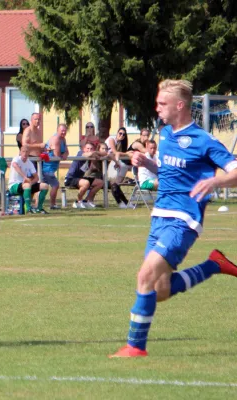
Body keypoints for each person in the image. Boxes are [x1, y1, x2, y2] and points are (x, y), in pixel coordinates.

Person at [110, 79, 237, 358]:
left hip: (183, 219)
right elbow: (169, 170)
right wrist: (149, 164)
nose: (157, 108)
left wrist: (215, 183)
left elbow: (235, 170)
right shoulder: (165, 133)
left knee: (144, 275)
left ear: (180, 105)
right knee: (160, 290)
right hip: (159, 217)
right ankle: (213, 265)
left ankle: (135, 347)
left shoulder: (204, 141)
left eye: (162, 103)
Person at [64, 142, 104, 209]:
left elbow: (105, 154)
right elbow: (89, 154)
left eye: (91, 148)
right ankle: (77, 201)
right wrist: (96, 153)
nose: (89, 150)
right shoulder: (80, 153)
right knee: (86, 183)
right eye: (87, 148)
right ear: (84, 149)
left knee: (100, 182)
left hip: (80, 178)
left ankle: (86, 200)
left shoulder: (91, 158)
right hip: (70, 178)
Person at [9, 146, 48, 214]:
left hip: (25, 185)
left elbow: (36, 178)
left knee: (45, 186)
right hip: (14, 185)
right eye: (23, 151)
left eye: (27, 152)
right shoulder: (16, 159)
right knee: (27, 186)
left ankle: (39, 208)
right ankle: (28, 209)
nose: (25, 153)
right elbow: (15, 165)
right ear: (20, 152)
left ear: (29, 153)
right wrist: (24, 177)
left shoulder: (29, 162)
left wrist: (31, 183)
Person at [42, 123, 69, 209]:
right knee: (55, 185)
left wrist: (65, 153)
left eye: (65, 130)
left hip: (52, 167)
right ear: (57, 130)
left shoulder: (63, 139)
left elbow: (67, 151)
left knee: (43, 186)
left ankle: (38, 205)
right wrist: (62, 155)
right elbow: (57, 155)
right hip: (47, 167)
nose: (63, 132)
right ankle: (52, 204)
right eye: (62, 130)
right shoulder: (56, 139)